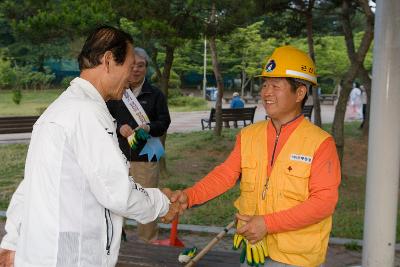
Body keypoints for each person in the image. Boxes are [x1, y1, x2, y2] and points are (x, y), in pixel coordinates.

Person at [0, 26, 180, 267]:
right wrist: (163, 204)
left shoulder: (60, 109)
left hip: (45, 252)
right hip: (71, 256)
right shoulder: (87, 113)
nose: (130, 77)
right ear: (108, 61)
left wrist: (11, 241)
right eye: (128, 68)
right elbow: (117, 192)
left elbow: (31, 183)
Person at [171, 46, 341, 267]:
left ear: (299, 93)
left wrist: (268, 223)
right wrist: (189, 196)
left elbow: (323, 203)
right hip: (254, 252)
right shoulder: (249, 135)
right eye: (265, 84)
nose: (266, 92)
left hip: (296, 258)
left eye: (276, 86)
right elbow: (225, 175)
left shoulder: (320, 143)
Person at [106, 47, 171, 242]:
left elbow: (164, 121)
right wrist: (118, 127)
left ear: (146, 68)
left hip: (146, 156)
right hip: (118, 156)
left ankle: (149, 243)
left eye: (140, 65)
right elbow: (103, 118)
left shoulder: (155, 94)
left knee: (148, 201)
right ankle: (116, 242)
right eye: (132, 65)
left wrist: (150, 127)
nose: (136, 69)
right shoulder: (114, 92)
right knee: (116, 201)